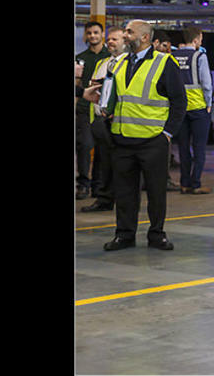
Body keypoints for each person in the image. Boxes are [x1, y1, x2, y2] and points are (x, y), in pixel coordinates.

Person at [83, 19, 186, 251]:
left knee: (156, 191)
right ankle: (124, 234)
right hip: (122, 140)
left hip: (153, 141)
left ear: (145, 38)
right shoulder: (118, 64)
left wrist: (167, 133)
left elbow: (179, 102)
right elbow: (113, 97)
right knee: (125, 192)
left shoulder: (164, 62)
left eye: (129, 32)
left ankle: (157, 234)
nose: (124, 35)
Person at [80, 26, 128, 212]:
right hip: (100, 120)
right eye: (109, 39)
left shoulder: (127, 63)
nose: (110, 42)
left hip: (118, 121)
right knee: (102, 164)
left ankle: (121, 200)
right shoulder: (103, 63)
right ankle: (104, 199)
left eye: (115, 39)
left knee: (120, 164)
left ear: (125, 42)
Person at [170, 26, 214, 195]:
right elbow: (206, 83)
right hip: (198, 108)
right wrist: (209, 103)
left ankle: (184, 183)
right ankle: (195, 183)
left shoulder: (172, 57)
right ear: (196, 40)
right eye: (201, 39)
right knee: (199, 148)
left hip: (180, 109)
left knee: (183, 147)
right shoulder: (200, 56)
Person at [76, 21, 111, 201]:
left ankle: (98, 185)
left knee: (102, 149)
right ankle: (83, 184)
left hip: (102, 110)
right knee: (84, 145)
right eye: (89, 33)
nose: (92, 36)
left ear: (102, 34)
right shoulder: (80, 58)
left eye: (96, 33)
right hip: (84, 109)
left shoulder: (111, 58)